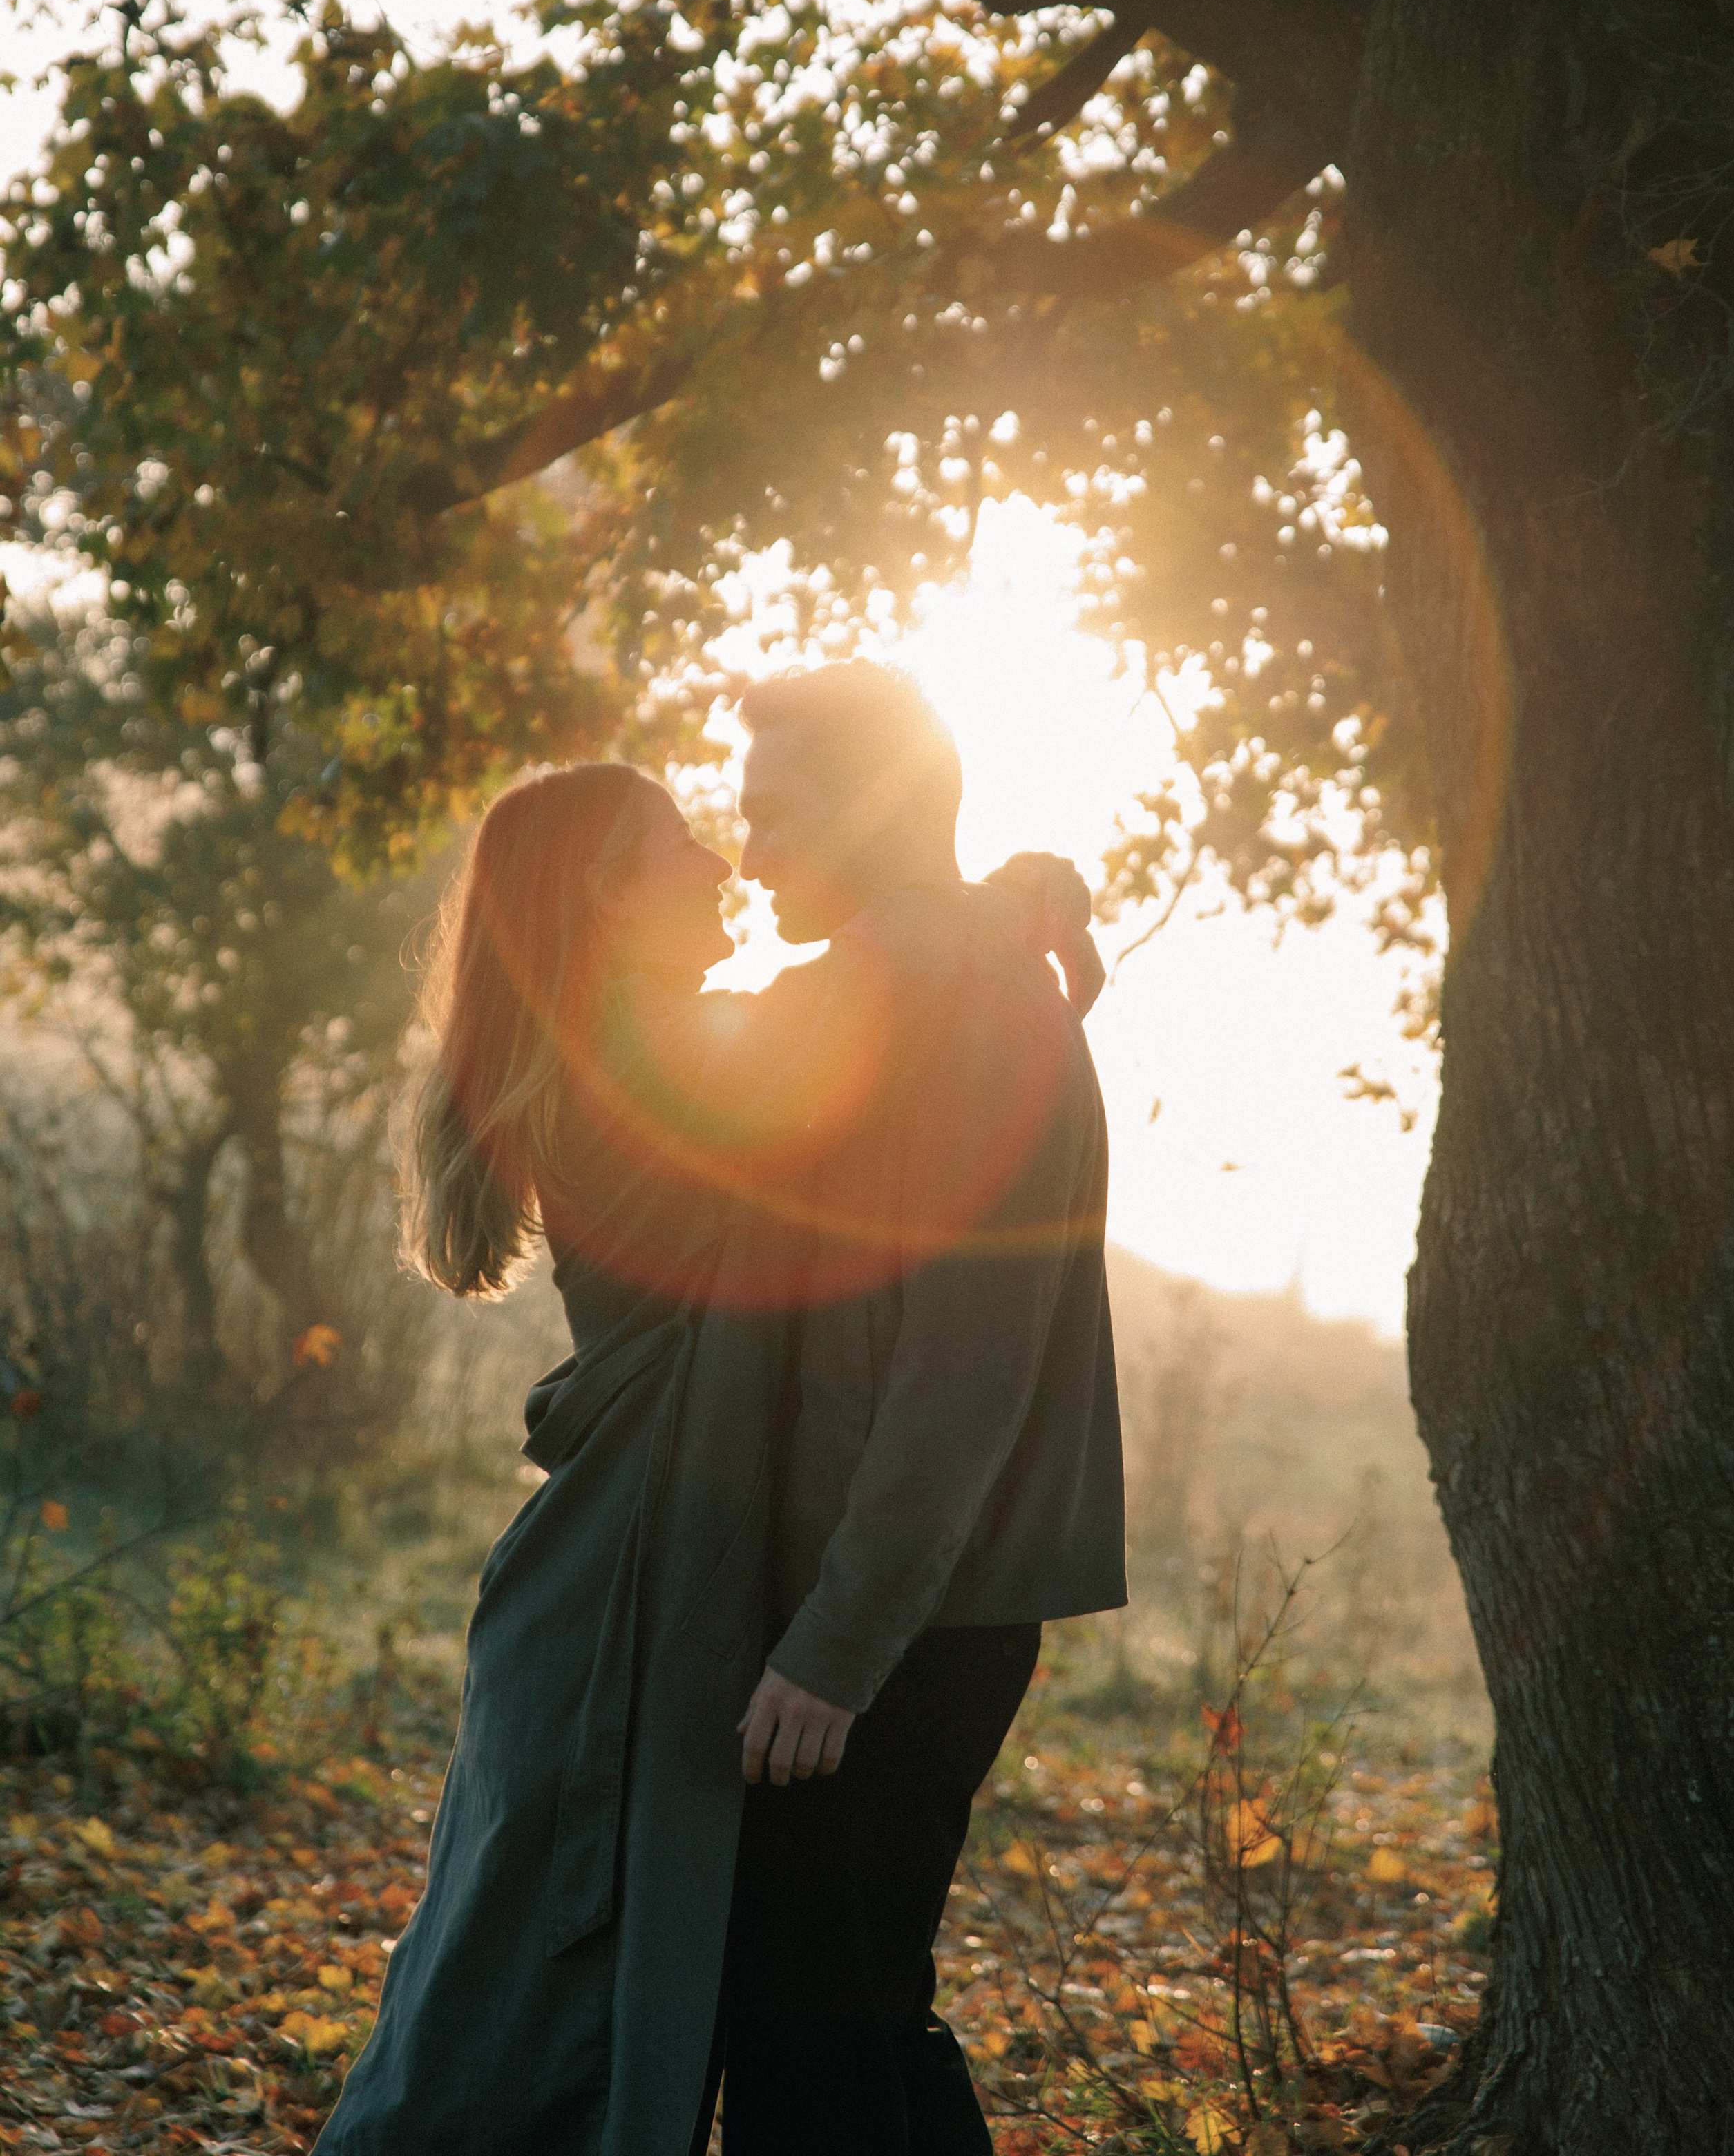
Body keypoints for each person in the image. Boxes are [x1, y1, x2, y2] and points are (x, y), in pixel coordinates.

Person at [315, 742, 1107, 2156]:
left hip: (620, 1570)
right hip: (626, 1580)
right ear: (604, 902)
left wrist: (995, 910)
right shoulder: (650, 1057)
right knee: (533, 1991)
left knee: (581, 1971)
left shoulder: (649, 1038)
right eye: (680, 840)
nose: (722, 864)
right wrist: (996, 908)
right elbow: (857, 998)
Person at [704, 662, 1127, 2156]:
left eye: (770, 816)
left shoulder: (978, 1012)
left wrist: (833, 1648)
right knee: (843, 2009)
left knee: (809, 2030)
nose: (746, 855)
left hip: (902, 1628)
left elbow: (966, 1365)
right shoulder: (901, 992)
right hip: (872, 1611)